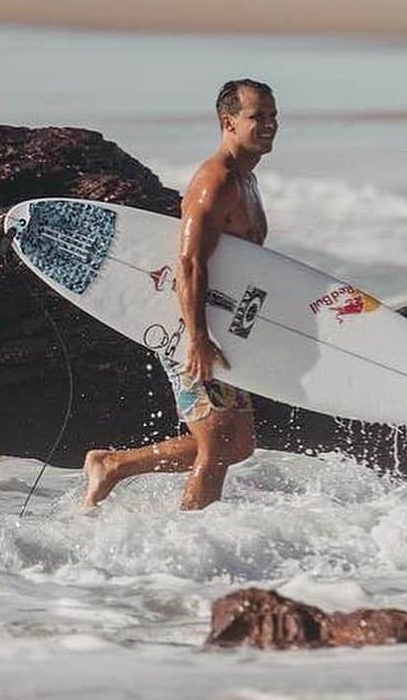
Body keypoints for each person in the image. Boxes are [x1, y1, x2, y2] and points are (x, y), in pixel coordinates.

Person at [82, 78, 277, 510]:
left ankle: (114, 465)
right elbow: (189, 262)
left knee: (237, 444)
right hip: (190, 326)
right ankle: (194, 546)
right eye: (256, 116)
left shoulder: (247, 179)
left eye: (272, 115)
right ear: (228, 122)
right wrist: (198, 338)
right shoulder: (217, 182)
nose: (268, 124)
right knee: (218, 444)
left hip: (221, 326)